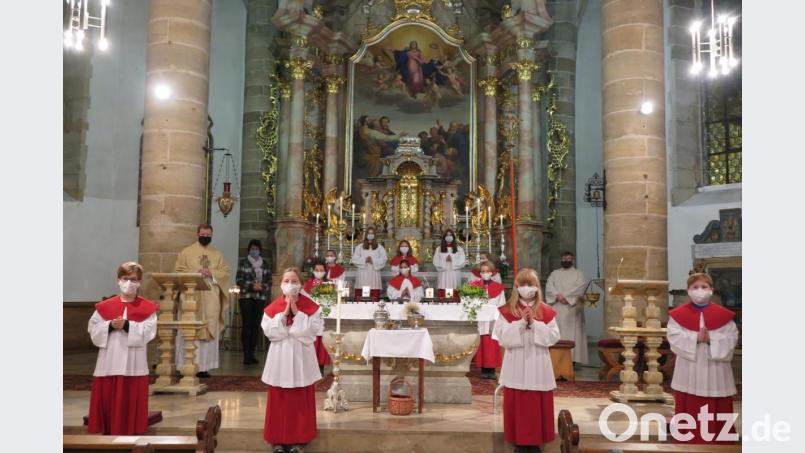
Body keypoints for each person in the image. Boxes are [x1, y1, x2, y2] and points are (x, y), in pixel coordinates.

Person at [87, 262, 158, 435]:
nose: (129, 283)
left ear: (139, 282)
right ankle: (107, 428)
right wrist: (109, 325)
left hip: (134, 361)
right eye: (126, 279)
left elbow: (150, 331)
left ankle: (132, 428)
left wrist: (127, 326)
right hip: (109, 359)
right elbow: (93, 329)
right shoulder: (104, 307)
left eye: (134, 279)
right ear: (118, 280)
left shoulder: (147, 308)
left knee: (131, 395)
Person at [667, 273, 738, 444]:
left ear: (711, 290)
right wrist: (695, 339)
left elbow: (732, 337)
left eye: (704, 287)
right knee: (689, 401)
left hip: (716, 369)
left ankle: (719, 439)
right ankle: (688, 436)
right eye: (695, 287)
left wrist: (711, 339)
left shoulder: (724, 316)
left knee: (717, 401)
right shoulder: (677, 315)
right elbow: (674, 337)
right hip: (690, 368)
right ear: (688, 291)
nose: (700, 291)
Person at [494, 268, 560, 451]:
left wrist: (534, 324)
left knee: (536, 403)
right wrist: (521, 323)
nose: (526, 288)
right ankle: (519, 443)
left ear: (537, 287)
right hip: (516, 362)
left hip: (538, 362)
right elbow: (502, 337)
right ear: (516, 287)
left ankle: (536, 442)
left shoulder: (545, 311)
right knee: (518, 403)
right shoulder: (507, 310)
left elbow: (554, 336)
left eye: (530, 284)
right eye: (522, 284)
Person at [262, 268, 323, 453]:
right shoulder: (273, 307)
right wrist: (283, 315)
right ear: (281, 284)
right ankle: (277, 441)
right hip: (280, 356)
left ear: (301, 284)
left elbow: (311, 333)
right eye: (286, 280)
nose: (290, 284)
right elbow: (271, 333)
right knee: (278, 399)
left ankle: (299, 440)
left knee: (300, 399)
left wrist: (297, 314)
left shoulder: (312, 307)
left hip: (301, 358)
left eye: (294, 280)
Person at [174, 223, 231, 378]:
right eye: (203, 234)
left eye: (208, 235)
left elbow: (225, 273)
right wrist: (196, 272)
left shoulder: (217, 254)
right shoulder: (186, 252)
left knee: (208, 327)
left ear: (212, 235)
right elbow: (178, 272)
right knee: (189, 330)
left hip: (211, 297)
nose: (205, 237)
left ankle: (204, 367)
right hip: (191, 297)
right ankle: (185, 366)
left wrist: (211, 272)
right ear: (197, 233)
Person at [544, 251, 588, 364]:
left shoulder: (579, 273)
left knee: (572, 335)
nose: (566, 260)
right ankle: (556, 359)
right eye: (564, 258)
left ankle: (572, 360)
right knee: (558, 332)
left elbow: (581, 288)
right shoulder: (555, 273)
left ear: (572, 259)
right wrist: (557, 296)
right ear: (561, 259)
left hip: (571, 309)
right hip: (557, 307)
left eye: (569, 258)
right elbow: (549, 286)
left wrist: (566, 298)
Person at [235, 239, 271, 365]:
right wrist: (252, 286)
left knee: (256, 326)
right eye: (252, 249)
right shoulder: (243, 262)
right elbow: (239, 279)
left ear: (260, 250)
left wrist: (262, 287)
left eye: (256, 249)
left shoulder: (264, 264)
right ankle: (246, 354)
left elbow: (269, 280)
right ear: (249, 250)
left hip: (260, 297)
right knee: (247, 325)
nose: (254, 251)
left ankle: (252, 354)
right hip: (246, 297)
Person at [469, 260, 506, 379]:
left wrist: (497, 314)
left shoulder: (498, 287)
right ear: (480, 273)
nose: (485, 273)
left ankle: (492, 369)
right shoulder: (474, 286)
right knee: (482, 344)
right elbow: (471, 302)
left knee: (492, 343)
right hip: (481, 319)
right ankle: (483, 369)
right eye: (483, 271)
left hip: (493, 319)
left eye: (487, 271)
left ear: (492, 272)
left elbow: (502, 304)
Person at [301, 260, 332, 373]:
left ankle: (320, 366)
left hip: (322, 315)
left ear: (325, 271)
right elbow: (304, 300)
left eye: (321, 270)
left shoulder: (328, 284)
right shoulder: (308, 284)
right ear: (313, 271)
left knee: (321, 341)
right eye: (317, 270)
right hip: (311, 315)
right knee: (312, 340)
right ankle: (309, 366)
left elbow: (330, 300)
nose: (319, 272)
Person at [351, 226, 387, 290]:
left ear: (374, 235)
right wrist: (365, 260)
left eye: (372, 233)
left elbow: (384, 259)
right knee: (362, 296)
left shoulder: (379, 247)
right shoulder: (359, 247)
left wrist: (373, 261)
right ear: (366, 235)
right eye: (369, 233)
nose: (370, 235)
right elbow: (354, 259)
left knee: (373, 294)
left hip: (374, 274)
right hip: (362, 273)